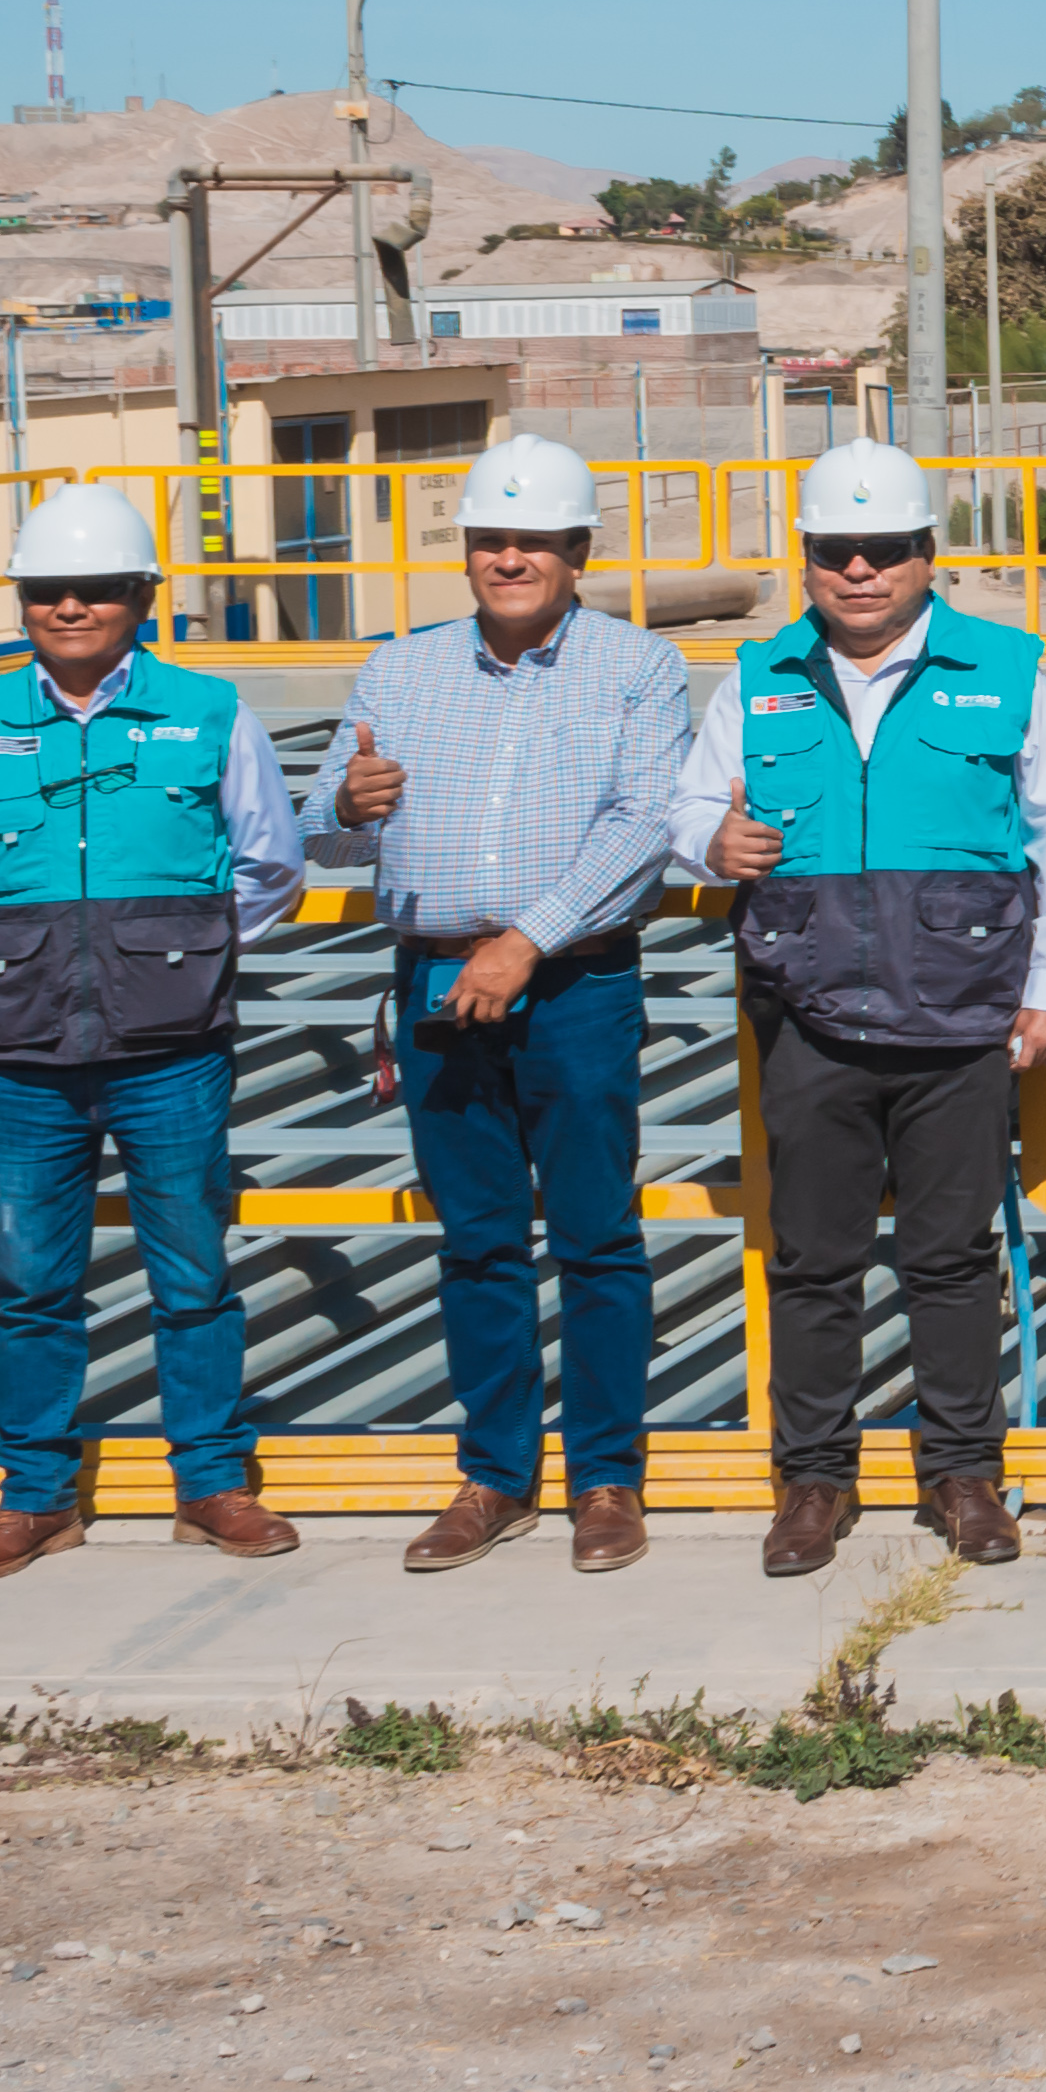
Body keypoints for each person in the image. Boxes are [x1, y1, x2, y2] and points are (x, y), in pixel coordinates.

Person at [0, 479, 310, 1580]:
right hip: (24, 1054)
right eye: (47, 591)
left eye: (95, 591)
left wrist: (177, 955)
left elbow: (271, 863)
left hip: (175, 1051)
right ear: (21, 603)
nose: (69, 608)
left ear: (141, 598)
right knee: (32, 1277)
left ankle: (211, 1481)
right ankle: (36, 1495)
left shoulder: (210, 715)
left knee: (194, 1270)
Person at [680, 438, 1046, 1580]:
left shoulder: (1006, 672)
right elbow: (688, 809)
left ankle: (963, 1475)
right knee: (811, 1258)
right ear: (808, 561)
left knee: (951, 1256)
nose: (859, 571)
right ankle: (812, 1481)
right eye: (836, 552)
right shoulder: (758, 678)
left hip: (960, 1019)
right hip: (806, 1015)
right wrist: (710, 843)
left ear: (927, 557)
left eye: (885, 551)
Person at [312, 432, 685, 1579]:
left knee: (595, 1235)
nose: (508, 557)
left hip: (571, 980)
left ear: (578, 551)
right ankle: (496, 1475)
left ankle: (607, 1478)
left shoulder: (636, 668)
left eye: (532, 540)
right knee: (475, 1239)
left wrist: (524, 942)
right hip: (432, 978)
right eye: (489, 540)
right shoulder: (400, 671)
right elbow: (323, 835)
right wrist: (345, 800)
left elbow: (644, 826)